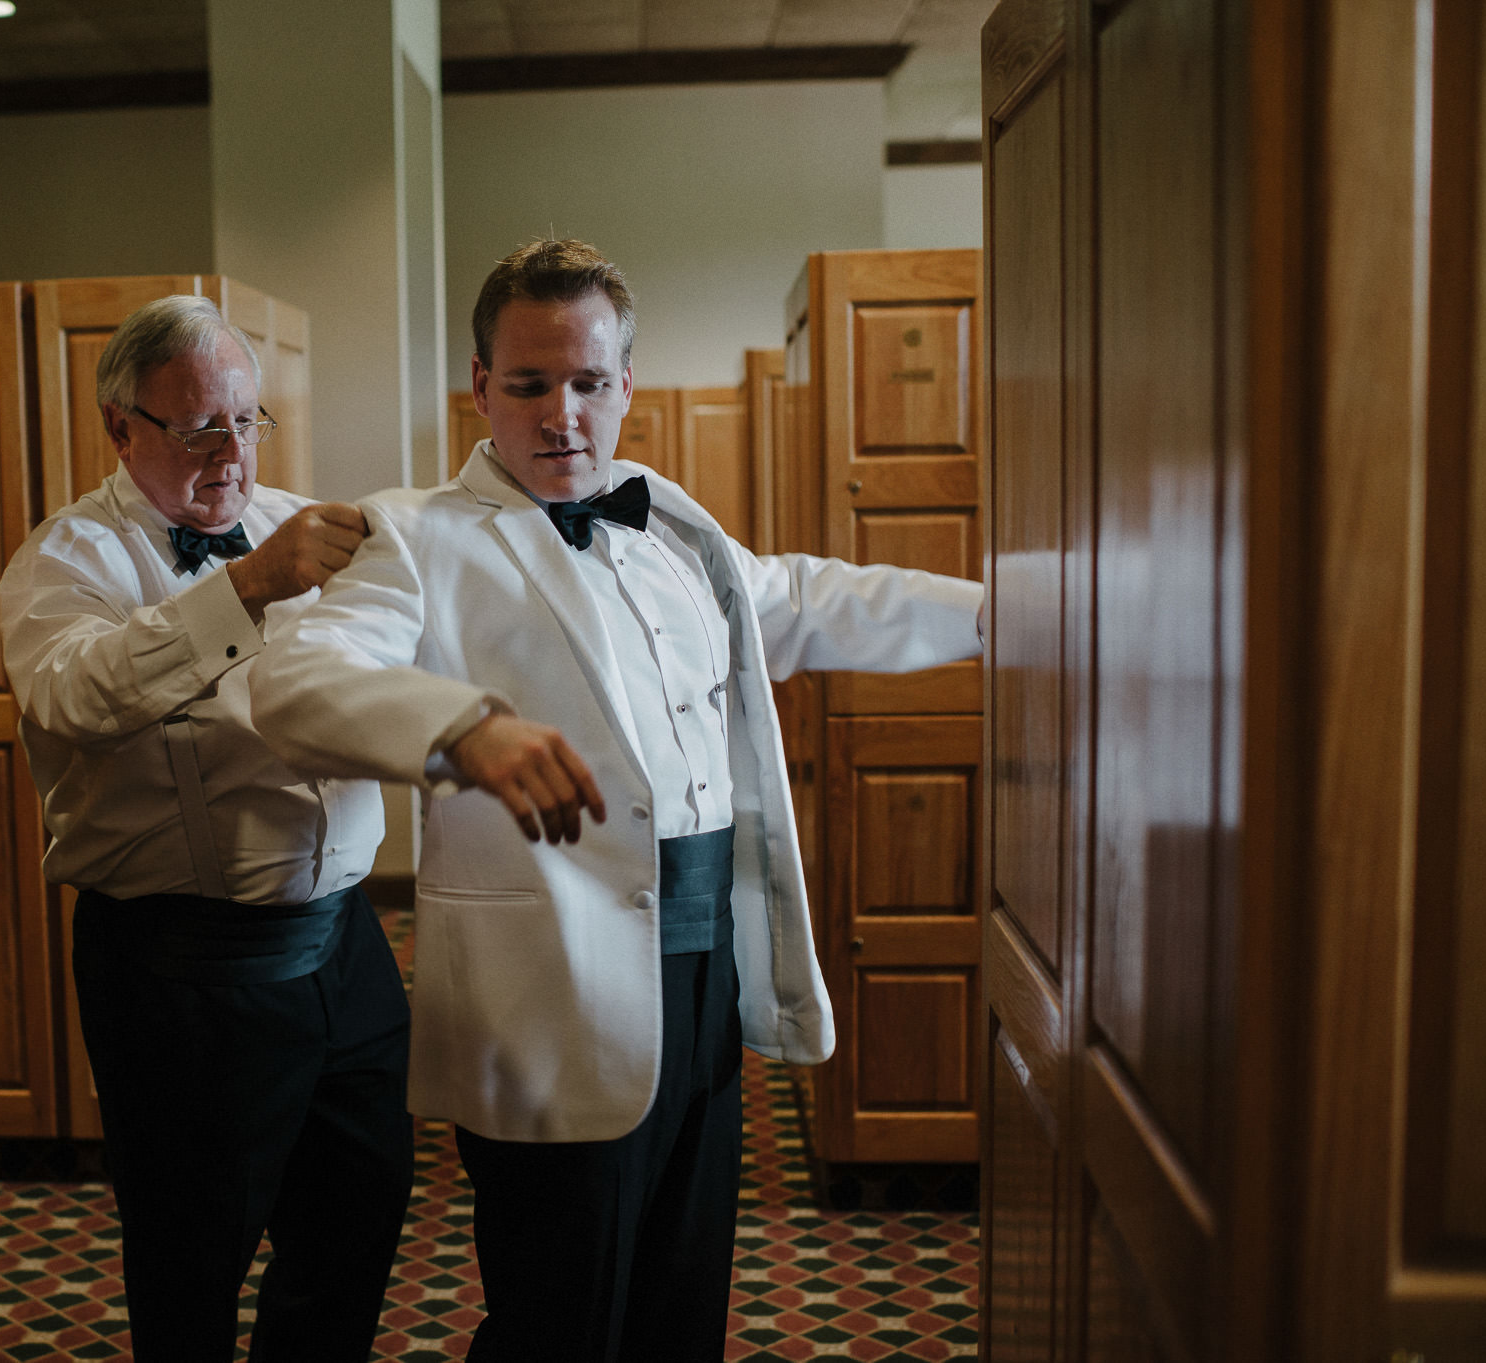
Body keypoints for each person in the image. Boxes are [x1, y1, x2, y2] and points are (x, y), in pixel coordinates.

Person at [250, 239, 985, 1361]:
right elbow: (296, 682)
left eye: (589, 383)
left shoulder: (674, 525)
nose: (562, 415)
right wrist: (459, 725)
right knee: (559, 1321)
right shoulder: (413, 533)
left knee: (679, 1304)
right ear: (480, 389)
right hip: (551, 982)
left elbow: (805, 598)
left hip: (703, 974)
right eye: (530, 384)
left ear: (624, 385)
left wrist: (1011, 608)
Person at [0, 294, 410, 1363]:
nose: (231, 451)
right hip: (182, 972)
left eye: (246, 420)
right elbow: (74, 696)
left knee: (356, 1224)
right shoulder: (65, 560)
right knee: (190, 1261)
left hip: (346, 950)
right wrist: (247, 587)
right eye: (197, 429)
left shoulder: (299, 522)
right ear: (119, 427)